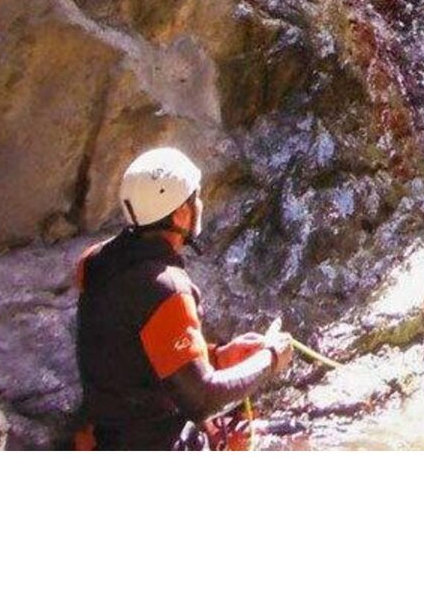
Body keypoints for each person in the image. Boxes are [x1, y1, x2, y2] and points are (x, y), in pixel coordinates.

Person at [74, 147, 293, 450]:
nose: (200, 204)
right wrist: (269, 359)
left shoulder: (95, 260)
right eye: (195, 198)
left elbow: (130, 351)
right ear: (181, 213)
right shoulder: (168, 289)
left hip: (100, 436)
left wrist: (219, 356)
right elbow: (202, 398)